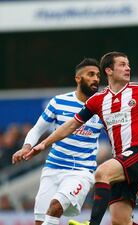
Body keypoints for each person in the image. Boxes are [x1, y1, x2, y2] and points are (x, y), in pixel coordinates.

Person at [24, 51, 138, 225]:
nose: (128, 68)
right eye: (122, 64)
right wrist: (43, 144)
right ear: (109, 71)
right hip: (121, 163)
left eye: (128, 64)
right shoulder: (98, 100)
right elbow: (71, 125)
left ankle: (92, 223)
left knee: (102, 172)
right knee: (120, 221)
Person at [12, 58, 102, 225]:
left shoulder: (102, 107)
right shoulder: (58, 102)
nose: (96, 78)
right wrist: (26, 147)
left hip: (81, 172)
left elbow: (115, 138)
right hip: (52, 169)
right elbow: (37, 129)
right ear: (78, 79)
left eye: (97, 75)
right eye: (90, 74)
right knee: (40, 221)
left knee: (55, 207)